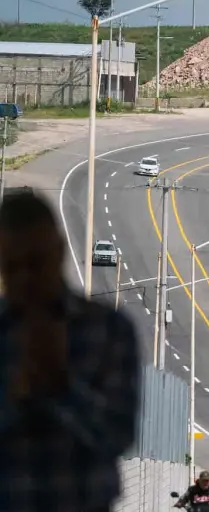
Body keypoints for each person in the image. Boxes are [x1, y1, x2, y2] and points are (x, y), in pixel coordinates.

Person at [0, 189, 141, 512]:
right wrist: (17, 398)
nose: (25, 278)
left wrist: (61, 386)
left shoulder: (107, 330)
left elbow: (118, 436)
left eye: (36, 263)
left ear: (59, 252)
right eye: (11, 266)